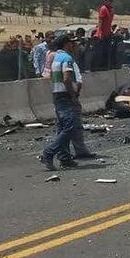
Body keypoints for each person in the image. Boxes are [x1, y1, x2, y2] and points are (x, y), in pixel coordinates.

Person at [39, 35, 81, 170]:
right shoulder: (67, 58)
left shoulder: (55, 57)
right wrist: (73, 95)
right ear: (66, 44)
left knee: (63, 127)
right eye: (71, 43)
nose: (73, 45)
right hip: (65, 95)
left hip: (57, 94)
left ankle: (65, 157)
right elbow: (67, 79)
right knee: (70, 127)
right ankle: (48, 153)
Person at [94, 0, 114, 70]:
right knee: (101, 52)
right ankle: (99, 66)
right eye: (108, 1)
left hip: (108, 33)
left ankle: (106, 66)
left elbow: (109, 22)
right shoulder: (103, 9)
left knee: (107, 51)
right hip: (102, 33)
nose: (109, 3)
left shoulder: (110, 10)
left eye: (110, 1)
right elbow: (101, 21)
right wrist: (100, 31)